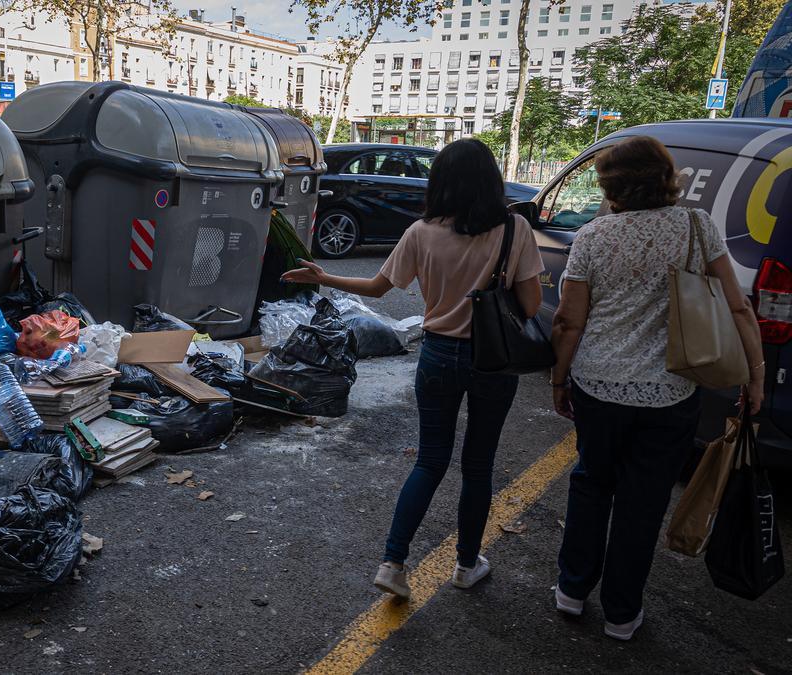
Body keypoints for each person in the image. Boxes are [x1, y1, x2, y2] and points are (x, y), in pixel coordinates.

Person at [282, 138, 544, 599]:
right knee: (478, 466)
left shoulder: (422, 232)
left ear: (439, 180)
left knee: (429, 460)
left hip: (439, 354)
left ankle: (394, 562)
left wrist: (323, 276)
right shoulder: (513, 229)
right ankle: (466, 564)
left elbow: (378, 288)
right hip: (493, 360)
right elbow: (531, 303)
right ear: (491, 180)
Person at [549, 136, 766, 641]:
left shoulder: (593, 236)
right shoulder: (696, 226)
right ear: (667, 177)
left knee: (591, 483)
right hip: (670, 392)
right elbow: (737, 309)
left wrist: (560, 380)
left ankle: (571, 590)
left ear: (611, 186)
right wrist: (754, 377)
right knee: (643, 501)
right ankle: (622, 615)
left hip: (598, 386)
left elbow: (567, 321)